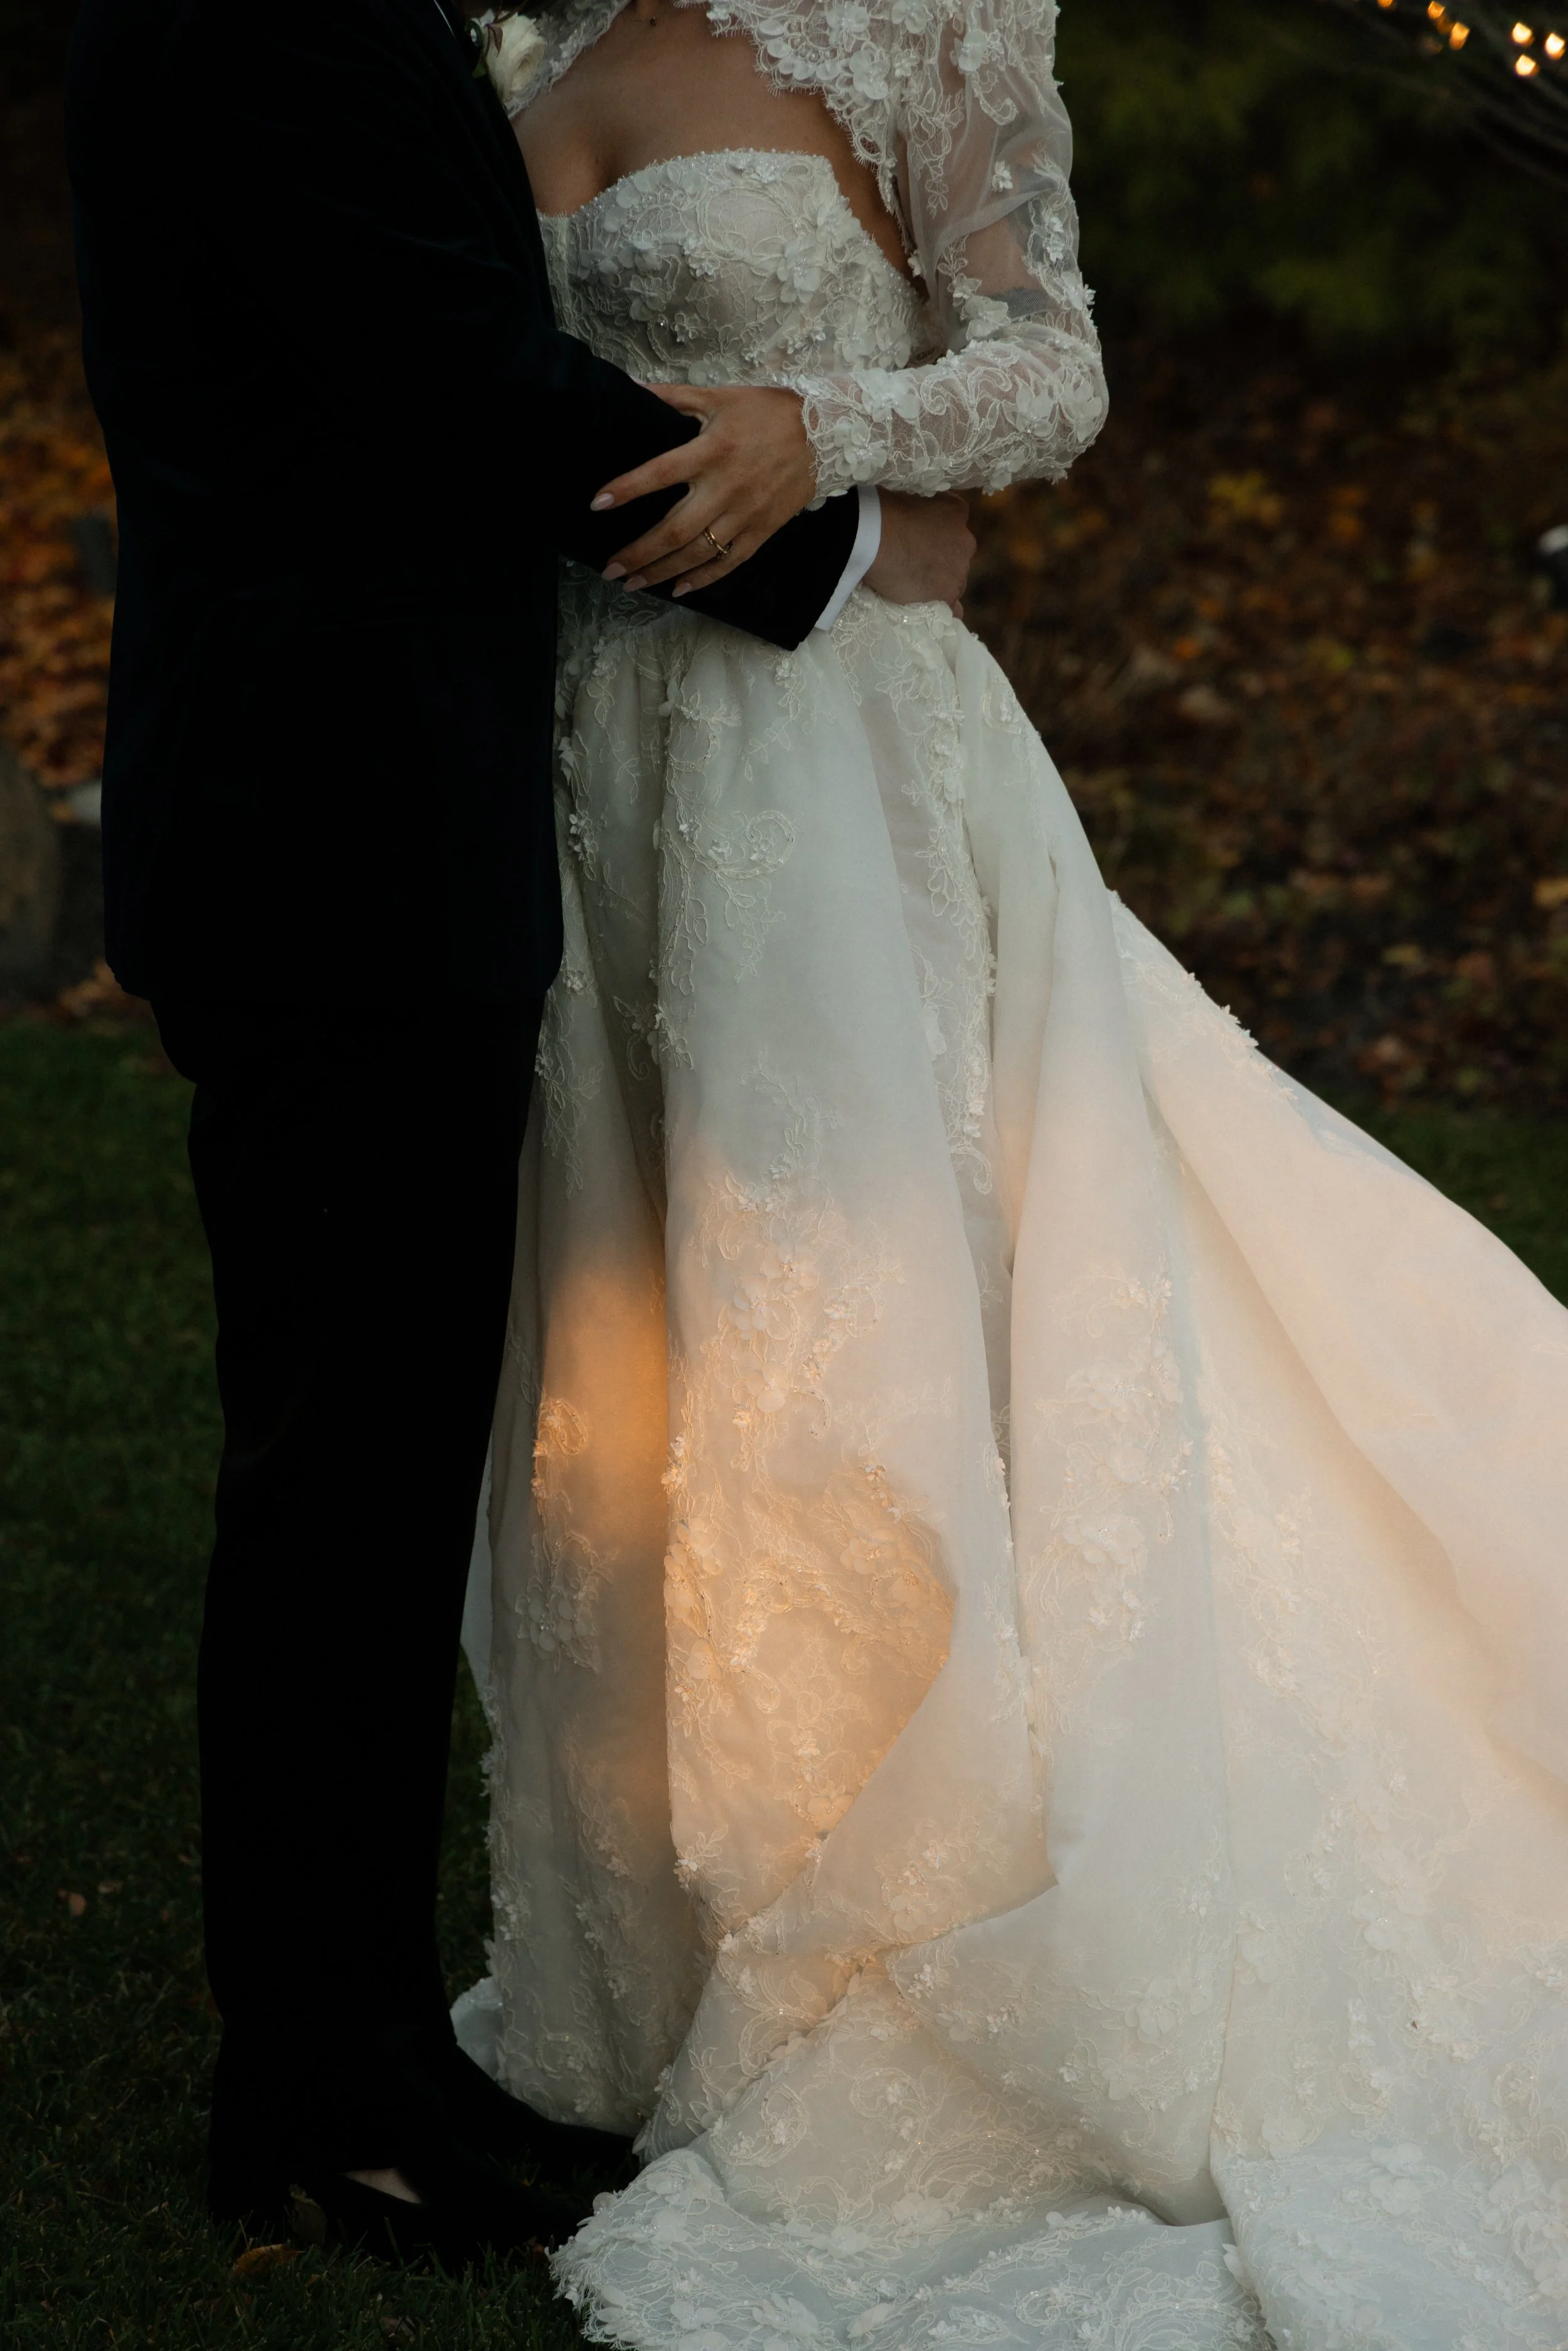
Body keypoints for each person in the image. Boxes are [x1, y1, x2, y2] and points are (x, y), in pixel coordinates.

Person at [459, 1, 1568, 2344]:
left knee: (867, 1328)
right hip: (581, 760)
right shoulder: (519, 32)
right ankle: (662, 1934)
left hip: (822, 759)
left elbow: (1049, 369)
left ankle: (900, 1900)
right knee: (636, 1347)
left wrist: (826, 435)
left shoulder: (914, 18)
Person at [62, 0, 975, 2268]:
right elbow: (459, 386)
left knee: (375, 1489)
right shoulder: (262, 24)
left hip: (372, 830)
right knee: (339, 1492)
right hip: (331, 843)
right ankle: (314, 2102)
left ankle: (374, 2048)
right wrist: (828, 546)